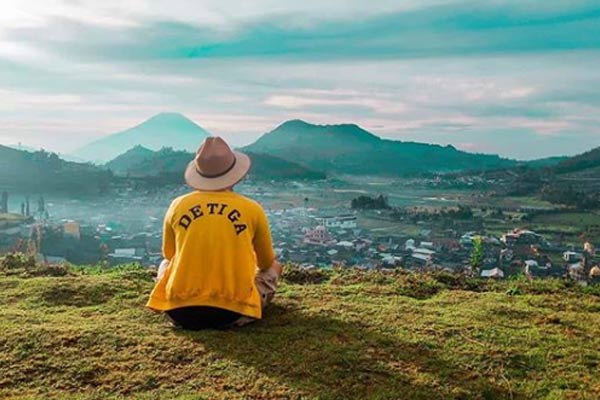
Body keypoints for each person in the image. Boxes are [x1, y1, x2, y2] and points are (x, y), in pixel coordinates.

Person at [147, 137, 282, 329]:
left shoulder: (178, 205)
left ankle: (168, 298)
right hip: (232, 314)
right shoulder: (252, 208)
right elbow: (266, 262)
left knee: (165, 264)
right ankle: (245, 301)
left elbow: (169, 255)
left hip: (179, 313)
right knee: (275, 266)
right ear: (236, 173)